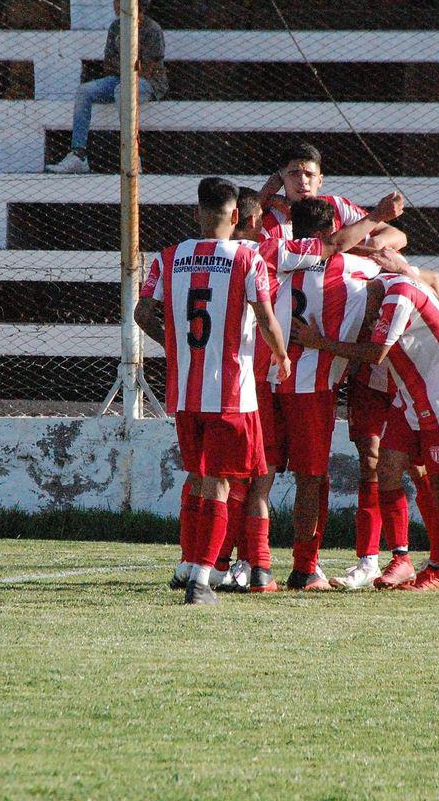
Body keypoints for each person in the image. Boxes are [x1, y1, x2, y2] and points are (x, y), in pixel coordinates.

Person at [232, 189, 409, 592]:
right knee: (311, 478)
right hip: (312, 388)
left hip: (265, 378)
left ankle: (253, 564)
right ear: (334, 228)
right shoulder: (358, 270)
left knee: (259, 473)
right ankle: (305, 567)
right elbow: (406, 284)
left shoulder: (272, 252)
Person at [133, 177, 290, 605]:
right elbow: (266, 317)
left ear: (197, 213)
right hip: (231, 394)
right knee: (222, 484)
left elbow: (141, 311)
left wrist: (173, 344)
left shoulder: (167, 258)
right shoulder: (247, 259)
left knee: (200, 479)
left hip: (184, 392)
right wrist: (281, 356)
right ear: (237, 216)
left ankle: (188, 564)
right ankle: (202, 580)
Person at [292, 272, 439, 591]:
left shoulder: (398, 296)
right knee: (387, 468)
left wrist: (318, 342)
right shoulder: (390, 286)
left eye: (362, 309)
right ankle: (401, 558)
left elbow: (375, 353)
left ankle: (438, 568)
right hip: (410, 396)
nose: (367, 318)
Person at [46, 0, 167, 174]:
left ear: (135, 2)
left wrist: (127, 69)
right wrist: (129, 68)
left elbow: (148, 70)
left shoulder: (152, 29)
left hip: (150, 84)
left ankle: (133, 155)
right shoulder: (116, 27)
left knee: (122, 91)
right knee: (84, 91)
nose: (115, 3)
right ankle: (78, 154)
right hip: (120, 78)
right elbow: (108, 65)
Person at [258, 142, 407, 251]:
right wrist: (265, 194)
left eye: (309, 175)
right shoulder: (267, 219)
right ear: (281, 179)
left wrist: (376, 244)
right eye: (294, 173)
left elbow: (398, 236)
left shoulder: (337, 205)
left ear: (320, 180)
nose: (303, 181)